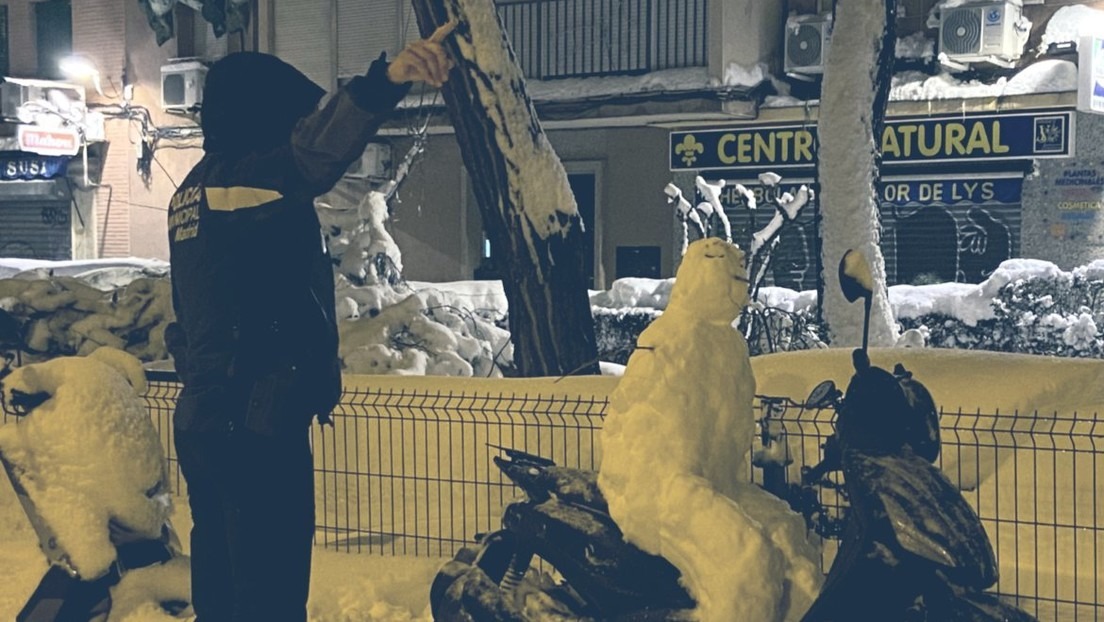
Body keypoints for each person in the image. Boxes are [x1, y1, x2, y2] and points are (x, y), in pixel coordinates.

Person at [165, 21, 455, 621]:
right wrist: (388, 81)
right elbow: (311, 156)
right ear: (260, 117)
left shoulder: (192, 193)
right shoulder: (243, 183)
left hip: (207, 417)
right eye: (290, 119)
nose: (296, 131)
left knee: (222, 587)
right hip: (253, 422)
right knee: (267, 593)